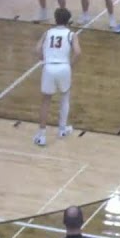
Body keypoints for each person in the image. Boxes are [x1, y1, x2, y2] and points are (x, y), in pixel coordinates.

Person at [35, 8, 81, 147]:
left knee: (46, 101)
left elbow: (37, 49)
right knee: (65, 96)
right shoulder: (71, 34)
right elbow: (78, 53)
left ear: (55, 19)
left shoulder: (47, 33)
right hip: (64, 67)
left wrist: (43, 59)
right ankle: (62, 129)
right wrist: (70, 65)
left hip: (49, 67)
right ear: (68, 20)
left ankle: (42, 135)